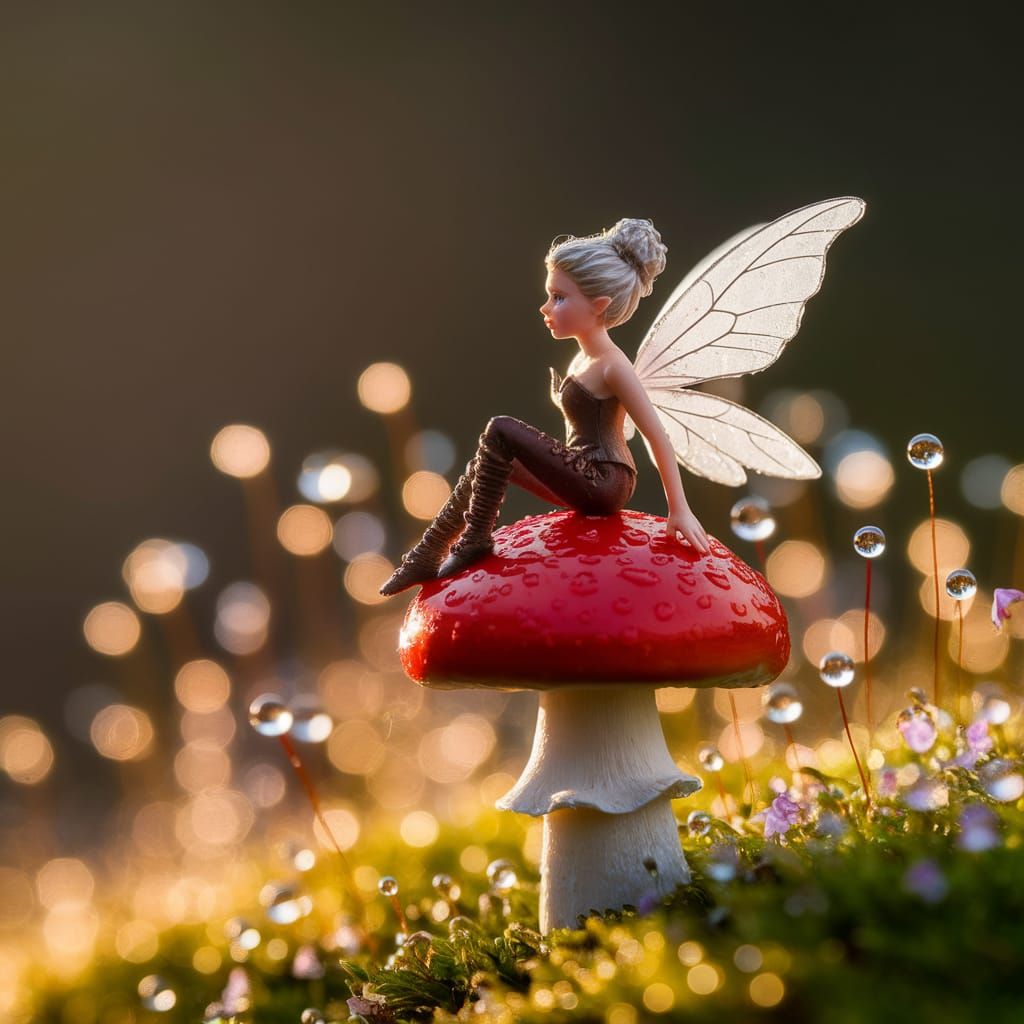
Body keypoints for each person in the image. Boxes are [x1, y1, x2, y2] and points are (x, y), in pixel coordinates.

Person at [380, 218, 710, 597]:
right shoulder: (582, 360)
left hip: (604, 480)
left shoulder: (613, 366)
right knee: (488, 460)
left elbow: (656, 435)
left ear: (598, 306)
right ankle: (432, 548)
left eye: (559, 297)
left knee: (500, 429)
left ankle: (473, 540)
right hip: (583, 472)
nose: (545, 307)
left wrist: (679, 509)